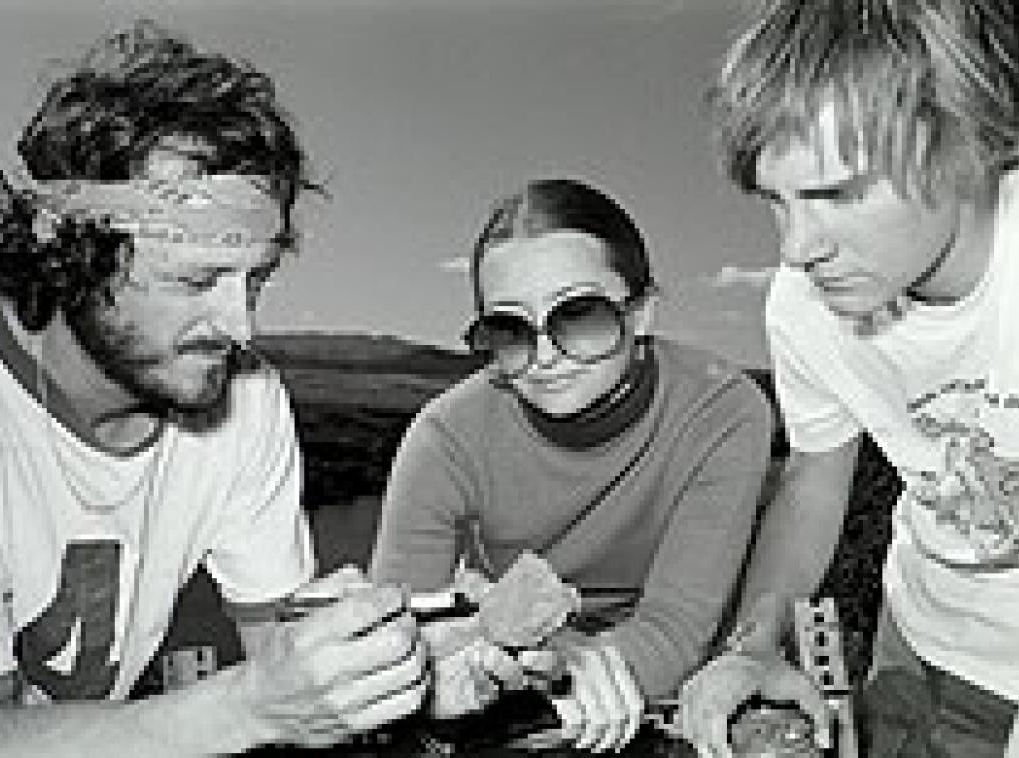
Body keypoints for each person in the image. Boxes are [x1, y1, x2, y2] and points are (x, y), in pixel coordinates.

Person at [0, 21, 428, 757]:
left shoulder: (248, 397)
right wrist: (248, 709)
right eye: (195, 281)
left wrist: (396, 666)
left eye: (256, 280)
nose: (240, 327)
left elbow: (277, 651)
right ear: (66, 249)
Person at [677, 2, 1019, 757]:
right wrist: (755, 643)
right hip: (913, 642)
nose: (797, 248)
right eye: (776, 200)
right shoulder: (804, 307)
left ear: (969, 138)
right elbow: (813, 482)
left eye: (834, 194)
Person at [370, 177, 775, 753]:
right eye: (509, 330)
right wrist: (517, 660)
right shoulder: (446, 438)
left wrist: (570, 667)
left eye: (579, 316)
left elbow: (677, 631)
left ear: (641, 312)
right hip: (508, 656)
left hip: (669, 683)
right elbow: (398, 631)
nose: (544, 358)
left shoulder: (721, 412)